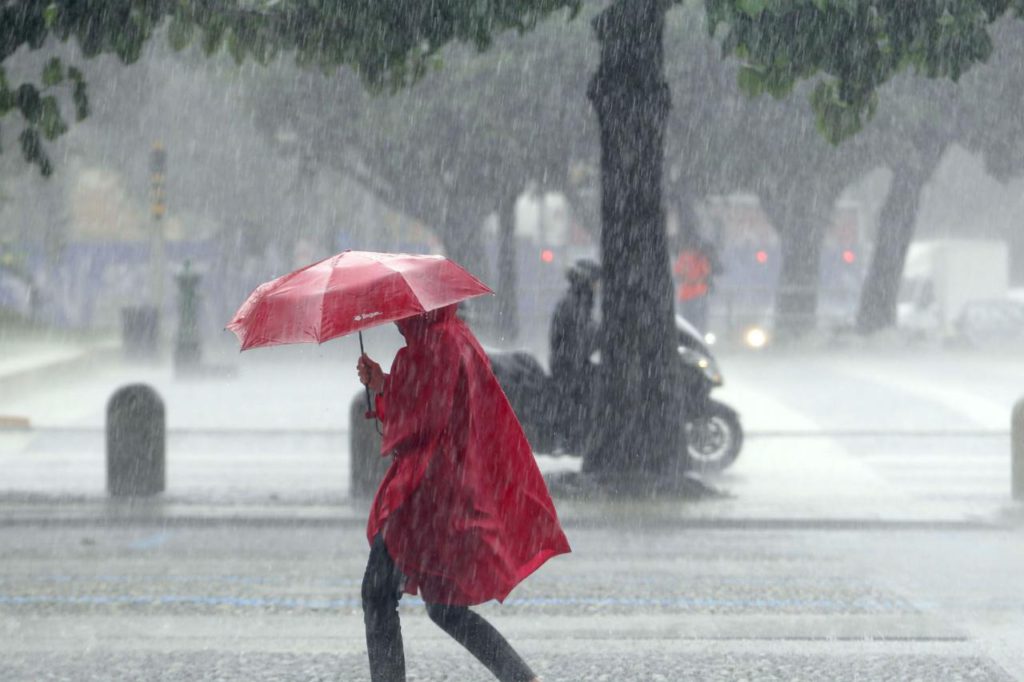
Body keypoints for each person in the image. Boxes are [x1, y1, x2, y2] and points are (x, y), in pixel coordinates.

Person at [356, 304, 570, 682]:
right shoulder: (456, 337)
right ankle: (523, 678)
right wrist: (386, 384)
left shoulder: (428, 347)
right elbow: (436, 408)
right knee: (445, 606)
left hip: (424, 498)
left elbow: (419, 423)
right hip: (451, 492)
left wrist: (389, 390)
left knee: (377, 593)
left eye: (399, 309)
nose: (392, 316)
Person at [548, 259, 601, 446]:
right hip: (569, 368)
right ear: (587, 281)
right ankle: (572, 442)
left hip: (570, 364)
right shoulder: (574, 304)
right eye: (595, 282)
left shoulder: (577, 301)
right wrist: (602, 334)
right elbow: (580, 339)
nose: (598, 287)